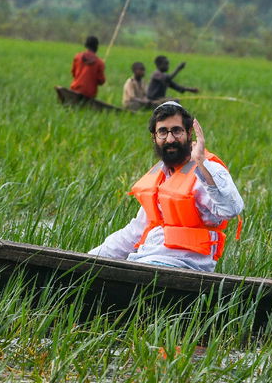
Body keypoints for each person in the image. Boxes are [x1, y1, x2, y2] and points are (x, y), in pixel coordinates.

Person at [89, 101, 243, 271]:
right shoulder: (161, 176)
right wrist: (90, 259)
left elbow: (231, 208)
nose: (170, 139)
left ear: (189, 133)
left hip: (185, 267)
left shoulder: (206, 169)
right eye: (163, 132)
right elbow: (134, 232)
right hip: (144, 260)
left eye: (177, 131)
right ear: (154, 137)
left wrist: (201, 162)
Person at [69, 35, 106, 99]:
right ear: (96, 47)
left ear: (86, 45)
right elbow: (101, 81)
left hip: (74, 89)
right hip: (89, 94)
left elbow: (73, 73)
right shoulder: (99, 62)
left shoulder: (77, 57)